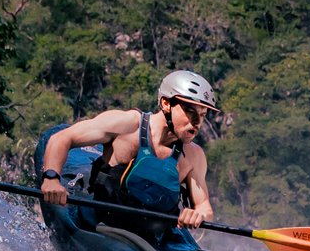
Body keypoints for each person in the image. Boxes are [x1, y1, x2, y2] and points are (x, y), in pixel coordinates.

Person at [37, 68, 221, 231]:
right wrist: (51, 179)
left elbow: (204, 207)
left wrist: (198, 215)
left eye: (203, 115)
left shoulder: (194, 155)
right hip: (103, 222)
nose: (197, 123)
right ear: (166, 103)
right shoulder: (128, 125)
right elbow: (62, 138)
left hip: (151, 237)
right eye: (190, 112)